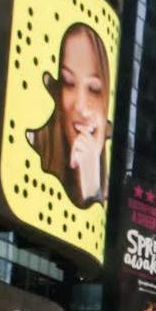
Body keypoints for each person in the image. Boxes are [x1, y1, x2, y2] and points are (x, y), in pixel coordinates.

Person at [25, 21, 111, 209]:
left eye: (94, 89)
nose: (80, 106)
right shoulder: (27, 148)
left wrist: (92, 186)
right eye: (68, 82)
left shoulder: (115, 184)